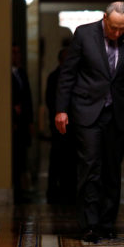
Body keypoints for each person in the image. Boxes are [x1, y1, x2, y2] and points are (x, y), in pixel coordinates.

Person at [55, 1, 124, 242]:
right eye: (113, 27)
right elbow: (68, 73)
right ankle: (89, 224)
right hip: (87, 111)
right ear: (105, 18)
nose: (117, 33)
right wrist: (61, 109)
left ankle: (107, 222)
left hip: (118, 114)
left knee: (113, 171)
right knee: (90, 168)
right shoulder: (84, 34)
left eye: (121, 28)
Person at [45, 47, 77, 204]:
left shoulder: (75, 76)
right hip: (59, 124)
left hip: (73, 125)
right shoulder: (54, 77)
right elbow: (51, 101)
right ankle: (53, 190)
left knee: (70, 159)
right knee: (57, 158)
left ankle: (68, 189)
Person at [11, 44, 34, 203]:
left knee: (21, 157)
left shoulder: (21, 73)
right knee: (15, 157)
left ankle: (21, 189)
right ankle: (17, 190)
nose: (17, 55)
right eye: (14, 52)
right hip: (14, 122)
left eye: (18, 52)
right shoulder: (9, 74)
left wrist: (31, 121)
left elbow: (28, 98)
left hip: (23, 122)